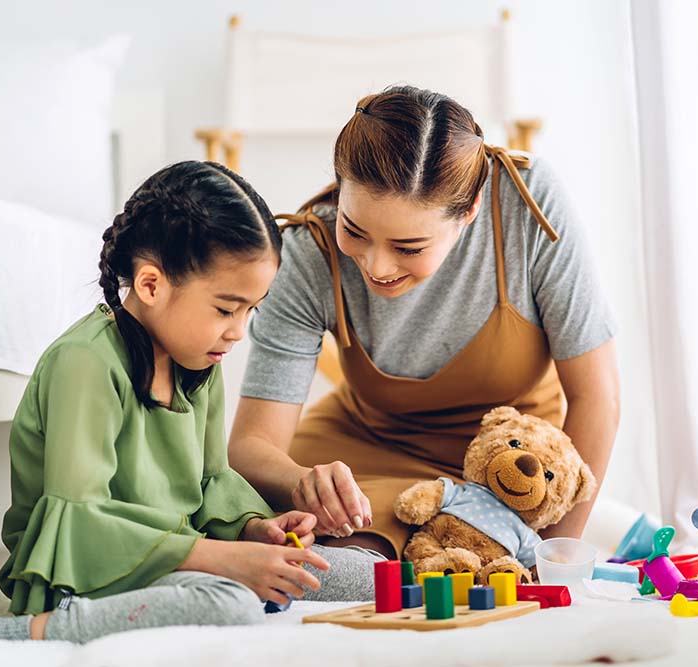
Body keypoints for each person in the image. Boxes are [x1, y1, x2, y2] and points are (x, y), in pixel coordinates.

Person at [0, 161, 378, 644]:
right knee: (228, 602)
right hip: (86, 576)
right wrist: (224, 561)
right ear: (150, 284)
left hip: (177, 562)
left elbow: (210, 481)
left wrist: (254, 530)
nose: (238, 330)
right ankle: (11, 632)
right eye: (226, 308)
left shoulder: (201, 361)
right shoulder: (85, 362)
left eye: (252, 309)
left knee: (365, 573)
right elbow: (79, 521)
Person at [228, 86, 621, 563]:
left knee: (394, 544)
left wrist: (550, 555)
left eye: (408, 247)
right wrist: (301, 482)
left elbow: (596, 396)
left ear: (470, 211)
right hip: (362, 445)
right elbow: (252, 445)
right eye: (354, 230)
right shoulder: (308, 252)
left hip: (508, 463)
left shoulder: (525, 205)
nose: (377, 265)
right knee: (254, 521)